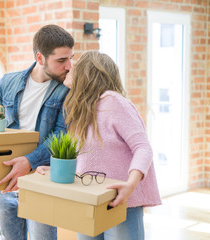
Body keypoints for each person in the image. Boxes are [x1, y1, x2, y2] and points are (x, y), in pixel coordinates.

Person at [37, 51, 162, 240]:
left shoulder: (113, 101)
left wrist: (130, 185)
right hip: (88, 200)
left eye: (75, 66)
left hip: (118, 201)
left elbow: (143, 147)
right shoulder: (82, 109)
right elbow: (88, 157)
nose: (69, 67)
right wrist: (56, 168)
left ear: (88, 73)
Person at [0, 24, 74, 240]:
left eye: (70, 58)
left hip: (40, 184)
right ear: (40, 58)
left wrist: (28, 162)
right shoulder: (8, 83)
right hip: (4, 183)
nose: (69, 66)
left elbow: (60, 135)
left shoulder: (67, 89)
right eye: (61, 60)